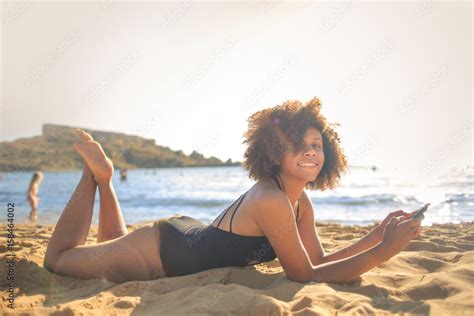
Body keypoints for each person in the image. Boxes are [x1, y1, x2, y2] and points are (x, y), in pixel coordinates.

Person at [43, 98, 423, 283]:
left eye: (317, 144)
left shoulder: (299, 201)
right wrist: (386, 252)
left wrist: (376, 237)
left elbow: (318, 261)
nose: (310, 151)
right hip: (159, 252)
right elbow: (303, 276)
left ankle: (106, 179)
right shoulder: (272, 200)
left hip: (178, 241)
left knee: (112, 245)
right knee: (57, 261)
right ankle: (93, 176)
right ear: (275, 152)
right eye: (298, 144)